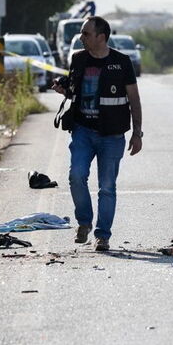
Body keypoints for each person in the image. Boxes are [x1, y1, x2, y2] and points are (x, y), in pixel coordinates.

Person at [53, 16, 142, 251]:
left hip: (112, 135)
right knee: (76, 176)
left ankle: (103, 235)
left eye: (86, 34)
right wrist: (64, 90)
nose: (81, 38)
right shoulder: (78, 59)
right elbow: (75, 92)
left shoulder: (122, 62)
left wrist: (137, 133)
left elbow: (134, 99)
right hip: (83, 131)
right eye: (82, 34)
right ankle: (84, 222)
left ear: (101, 37)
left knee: (107, 187)